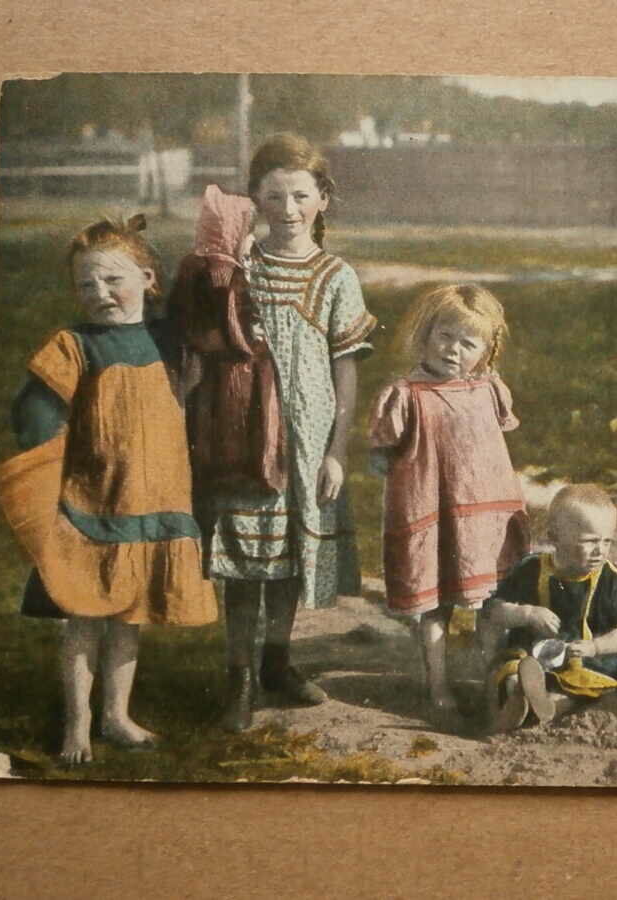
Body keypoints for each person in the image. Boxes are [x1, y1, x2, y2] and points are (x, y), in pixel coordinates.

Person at [0, 216, 217, 764]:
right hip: (93, 504)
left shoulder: (168, 341)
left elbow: (216, 296)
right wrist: (51, 449)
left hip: (155, 501)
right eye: (86, 284)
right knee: (83, 618)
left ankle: (116, 715)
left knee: (129, 618)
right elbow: (35, 410)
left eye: (113, 280)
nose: (100, 293)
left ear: (147, 278)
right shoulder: (75, 346)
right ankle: (77, 726)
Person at [204, 134, 377, 732]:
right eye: (272, 195)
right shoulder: (236, 266)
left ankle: (276, 661)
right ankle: (238, 677)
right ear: (253, 198)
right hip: (244, 437)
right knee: (244, 562)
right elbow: (198, 326)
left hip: (306, 443)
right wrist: (226, 259)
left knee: (287, 564)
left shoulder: (336, 275)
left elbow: (345, 371)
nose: (287, 208)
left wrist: (336, 452)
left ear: (323, 199)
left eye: (300, 195)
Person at [369, 283, 530, 717]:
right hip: (434, 515)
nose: (453, 349)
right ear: (425, 333)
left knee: (492, 604)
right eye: (444, 335)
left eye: (467, 342)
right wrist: (386, 460)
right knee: (436, 607)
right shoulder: (406, 395)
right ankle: (438, 685)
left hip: (484, 519)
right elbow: (382, 454)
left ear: (486, 350)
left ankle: (490, 678)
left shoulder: (489, 389)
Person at [480, 484, 617, 732]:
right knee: (513, 670)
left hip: (583, 655)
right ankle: (518, 699)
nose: (599, 551)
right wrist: (526, 613)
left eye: (607, 541)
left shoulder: (608, 578)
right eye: (589, 541)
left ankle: (549, 705)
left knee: (581, 684)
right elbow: (493, 610)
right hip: (533, 654)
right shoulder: (531, 569)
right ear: (554, 538)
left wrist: (595, 646)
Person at [170, 183, 286, 499]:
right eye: (248, 233)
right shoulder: (223, 274)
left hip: (206, 362)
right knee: (234, 420)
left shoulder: (196, 265)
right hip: (232, 365)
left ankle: (222, 473)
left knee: (209, 420)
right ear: (234, 233)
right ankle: (238, 472)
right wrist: (251, 344)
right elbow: (232, 319)